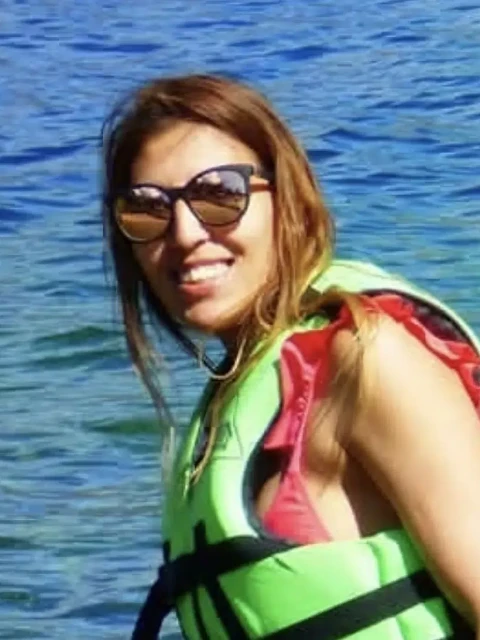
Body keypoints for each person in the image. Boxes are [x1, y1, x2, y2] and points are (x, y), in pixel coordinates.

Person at [101, 73, 480, 639]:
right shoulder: (238, 398)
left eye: (220, 194)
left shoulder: (366, 359)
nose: (183, 233)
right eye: (146, 209)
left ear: (288, 199)